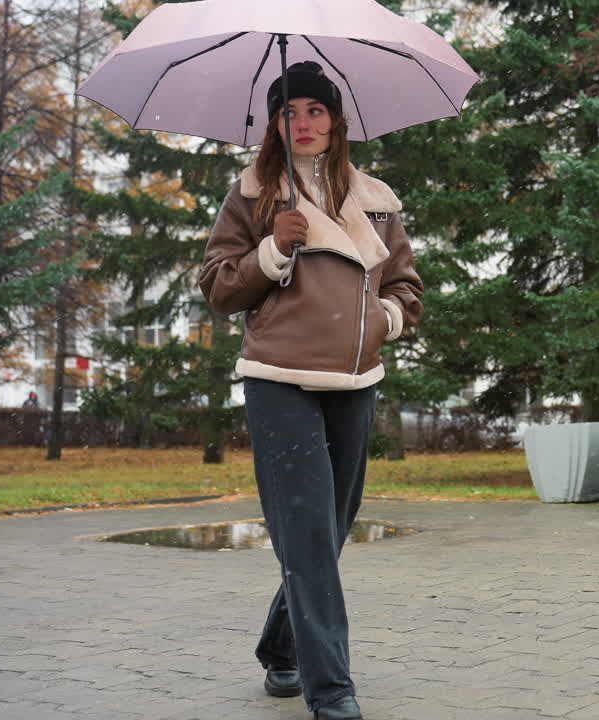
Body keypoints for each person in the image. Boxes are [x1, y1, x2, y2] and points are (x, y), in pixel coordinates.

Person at [199, 61, 423, 720]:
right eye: (289, 111)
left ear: (336, 121)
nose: (303, 122)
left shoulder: (376, 200)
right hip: (279, 378)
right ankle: (332, 694)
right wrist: (272, 249)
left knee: (326, 532)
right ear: (275, 123)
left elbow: (407, 288)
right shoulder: (251, 196)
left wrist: (383, 322)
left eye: (315, 111)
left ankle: (281, 646)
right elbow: (217, 286)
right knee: (303, 535)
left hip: (355, 378)